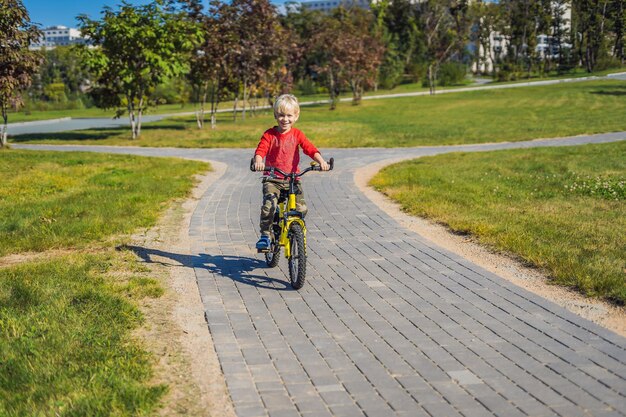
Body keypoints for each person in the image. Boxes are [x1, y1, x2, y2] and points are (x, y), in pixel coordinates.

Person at [253, 94, 330, 251]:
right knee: (269, 206)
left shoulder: (297, 134)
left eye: (289, 115)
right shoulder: (269, 135)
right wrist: (259, 161)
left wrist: (321, 161)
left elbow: (309, 148)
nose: (285, 119)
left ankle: (294, 232)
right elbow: (261, 149)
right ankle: (266, 235)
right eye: (281, 115)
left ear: (296, 116)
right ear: (275, 115)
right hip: (272, 179)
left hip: (293, 179)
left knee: (301, 209)